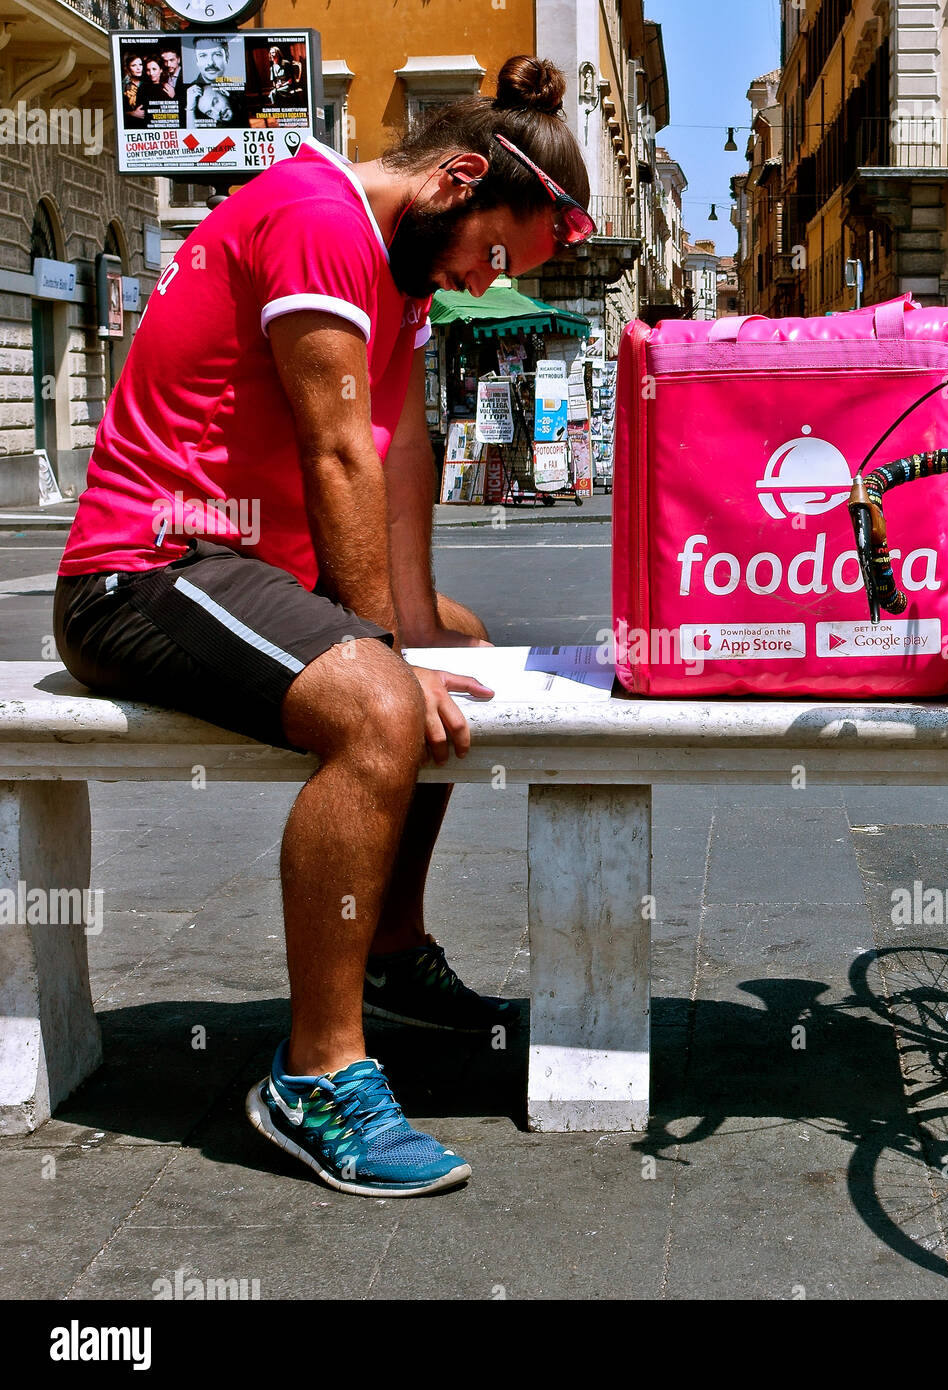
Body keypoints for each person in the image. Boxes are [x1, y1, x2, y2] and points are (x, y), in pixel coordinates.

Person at [54, 56, 595, 1199]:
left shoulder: (404, 279)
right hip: (144, 565)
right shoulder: (315, 217)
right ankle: (316, 1072)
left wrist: (418, 635)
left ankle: (391, 949)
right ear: (455, 178)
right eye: (493, 252)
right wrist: (381, 664)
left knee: (457, 648)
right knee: (382, 705)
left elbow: (397, 472)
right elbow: (338, 448)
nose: (478, 280)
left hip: (241, 564)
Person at [122, 54, 146, 126]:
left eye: (140, 64)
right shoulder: (124, 85)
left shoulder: (147, 82)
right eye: (134, 65)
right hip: (130, 125)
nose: (138, 68)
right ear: (128, 68)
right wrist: (131, 113)